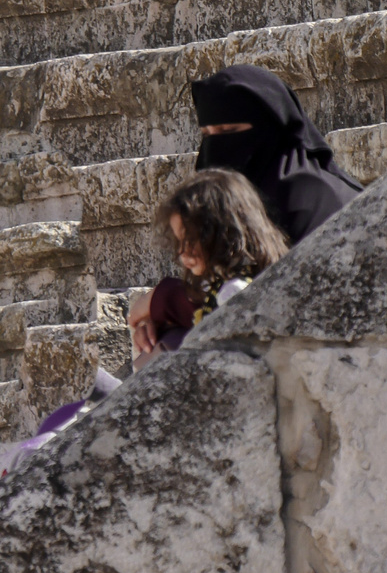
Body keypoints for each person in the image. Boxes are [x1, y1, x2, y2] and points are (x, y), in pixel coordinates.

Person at [128, 169, 290, 368]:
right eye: (179, 242)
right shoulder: (218, 288)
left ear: (222, 233)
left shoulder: (235, 292)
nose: (182, 252)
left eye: (190, 241)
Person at [190, 65, 363, 243]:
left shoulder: (312, 199)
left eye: (229, 130)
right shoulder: (218, 200)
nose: (214, 146)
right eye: (206, 134)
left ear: (269, 125)